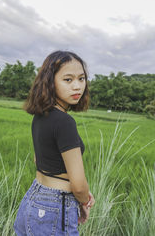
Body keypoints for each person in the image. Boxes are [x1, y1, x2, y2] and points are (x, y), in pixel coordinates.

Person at [14, 51, 95, 235]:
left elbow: (39, 159)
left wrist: (80, 194)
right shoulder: (65, 122)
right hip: (56, 205)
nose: (77, 86)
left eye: (81, 79)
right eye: (68, 80)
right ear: (50, 82)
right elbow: (78, 184)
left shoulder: (41, 116)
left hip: (34, 198)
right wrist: (84, 200)